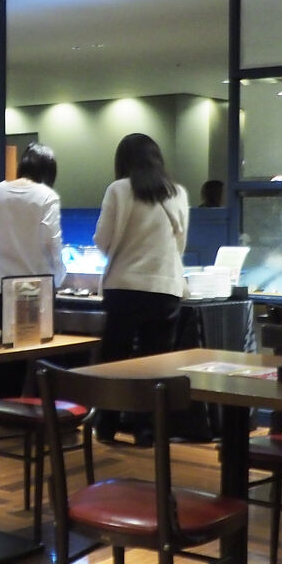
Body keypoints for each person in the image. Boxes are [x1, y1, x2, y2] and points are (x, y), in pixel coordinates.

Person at [94, 133, 188, 440]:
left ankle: (107, 425)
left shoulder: (118, 189)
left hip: (124, 286)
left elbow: (103, 240)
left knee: (115, 359)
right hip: (165, 288)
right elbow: (180, 245)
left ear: (122, 161)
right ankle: (147, 429)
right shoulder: (178, 193)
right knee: (155, 363)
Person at [0, 143, 65, 325]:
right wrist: (59, 276)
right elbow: (51, 241)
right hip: (33, 289)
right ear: (49, 172)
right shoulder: (47, 196)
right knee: (31, 341)